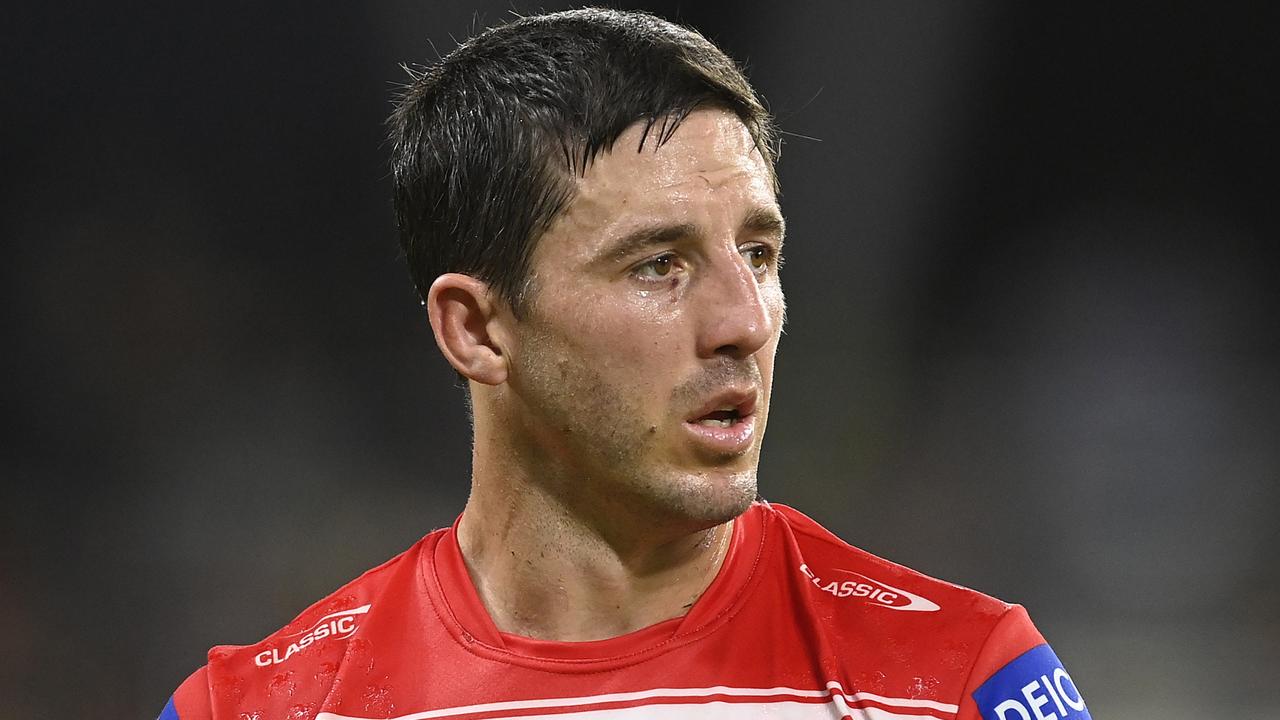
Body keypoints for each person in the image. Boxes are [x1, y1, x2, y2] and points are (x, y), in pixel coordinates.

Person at [159, 8, 1090, 720]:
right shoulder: (256, 707)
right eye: (659, 266)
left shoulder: (961, 681)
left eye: (759, 255)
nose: (743, 321)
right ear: (477, 331)